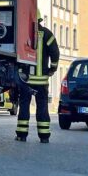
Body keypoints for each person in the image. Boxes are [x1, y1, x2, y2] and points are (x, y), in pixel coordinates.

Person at [16, 12, 59, 143]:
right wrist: (52, 68)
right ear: (40, 19)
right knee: (42, 107)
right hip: (41, 81)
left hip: (26, 79)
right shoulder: (47, 34)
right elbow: (55, 53)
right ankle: (44, 136)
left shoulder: (22, 33)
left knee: (24, 106)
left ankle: (22, 135)